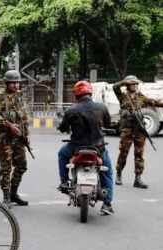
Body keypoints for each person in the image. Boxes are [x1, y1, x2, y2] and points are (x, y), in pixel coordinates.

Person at [57, 81, 114, 215]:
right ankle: (107, 203)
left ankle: (64, 181)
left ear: (76, 94)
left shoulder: (71, 110)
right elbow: (108, 123)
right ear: (90, 92)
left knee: (61, 154)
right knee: (108, 172)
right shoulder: (101, 107)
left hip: (76, 148)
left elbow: (63, 128)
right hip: (98, 148)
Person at [113, 75, 163, 189]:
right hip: (126, 129)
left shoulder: (141, 97)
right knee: (123, 153)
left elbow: (154, 102)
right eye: (133, 84)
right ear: (127, 85)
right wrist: (125, 81)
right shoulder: (122, 97)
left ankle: (138, 179)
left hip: (139, 130)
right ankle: (119, 174)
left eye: (136, 84)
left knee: (139, 155)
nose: (135, 86)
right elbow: (115, 87)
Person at [0, 70, 30, 208]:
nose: (16, 85)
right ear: (7, 83)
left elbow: (24, 117)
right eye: (13, 82)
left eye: (17, 82)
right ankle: (6, 196)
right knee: (6, 168)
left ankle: (14, 193)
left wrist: (27, 135)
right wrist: (9, 126)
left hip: (19, 137)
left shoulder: (19, 96)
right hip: (4, 138)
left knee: (22, 165)